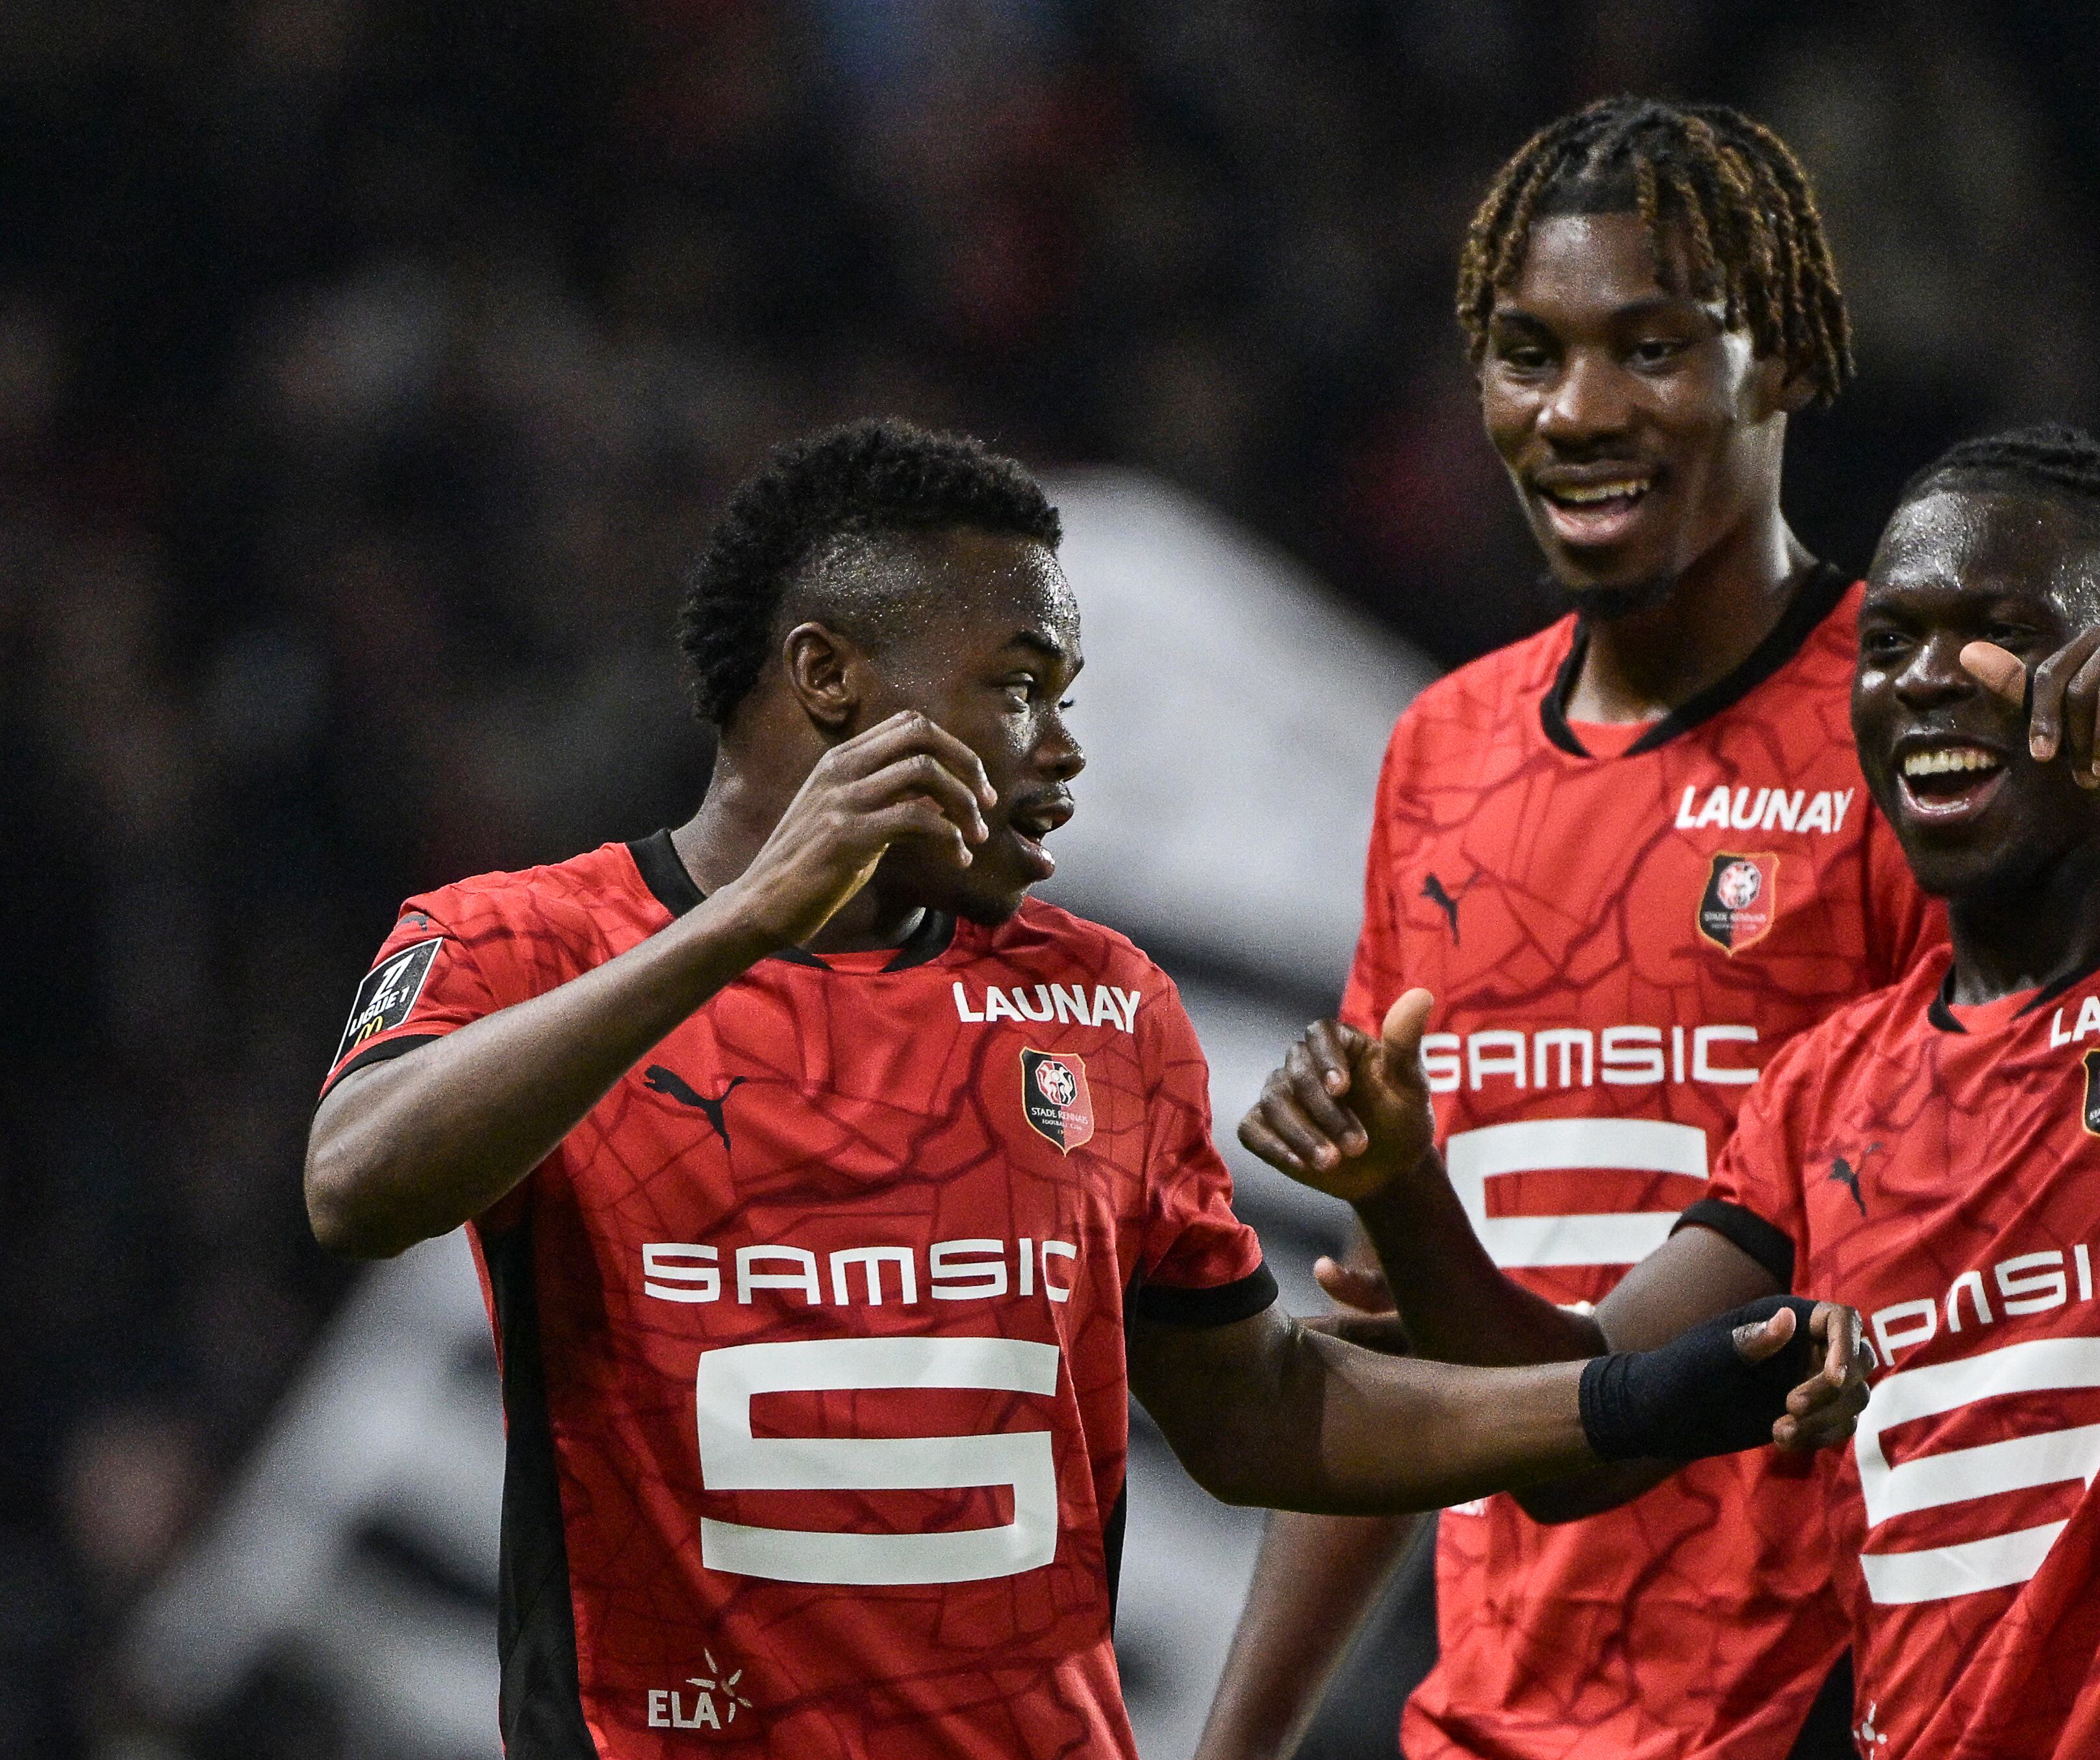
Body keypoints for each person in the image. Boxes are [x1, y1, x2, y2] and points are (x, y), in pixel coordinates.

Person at [299, 419, 1874, 1760]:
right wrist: (744, 927)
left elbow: (1259, 1409)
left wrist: (1646, 1394)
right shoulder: (519, 941)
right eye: (1018, 686)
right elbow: (358, 1184)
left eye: (1068, 691)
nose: (1062, 751)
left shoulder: (1102, 1003)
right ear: (829, 680)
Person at [1239, 425, 2100, 1760]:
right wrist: (1402, 1184)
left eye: (1998, 635)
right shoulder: (1828, 1088)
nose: (1924, 676)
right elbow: (1586, 1433)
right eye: (1890, 640)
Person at [1197, 96, 1942, 1760]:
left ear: (1783, 357)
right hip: (1498, 1721)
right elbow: (1396, 1341)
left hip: (1836, 1716)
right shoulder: (1443, 753)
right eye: (1528, 355)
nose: (1580, 410)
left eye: (1651, 347)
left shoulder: (1919, 741)